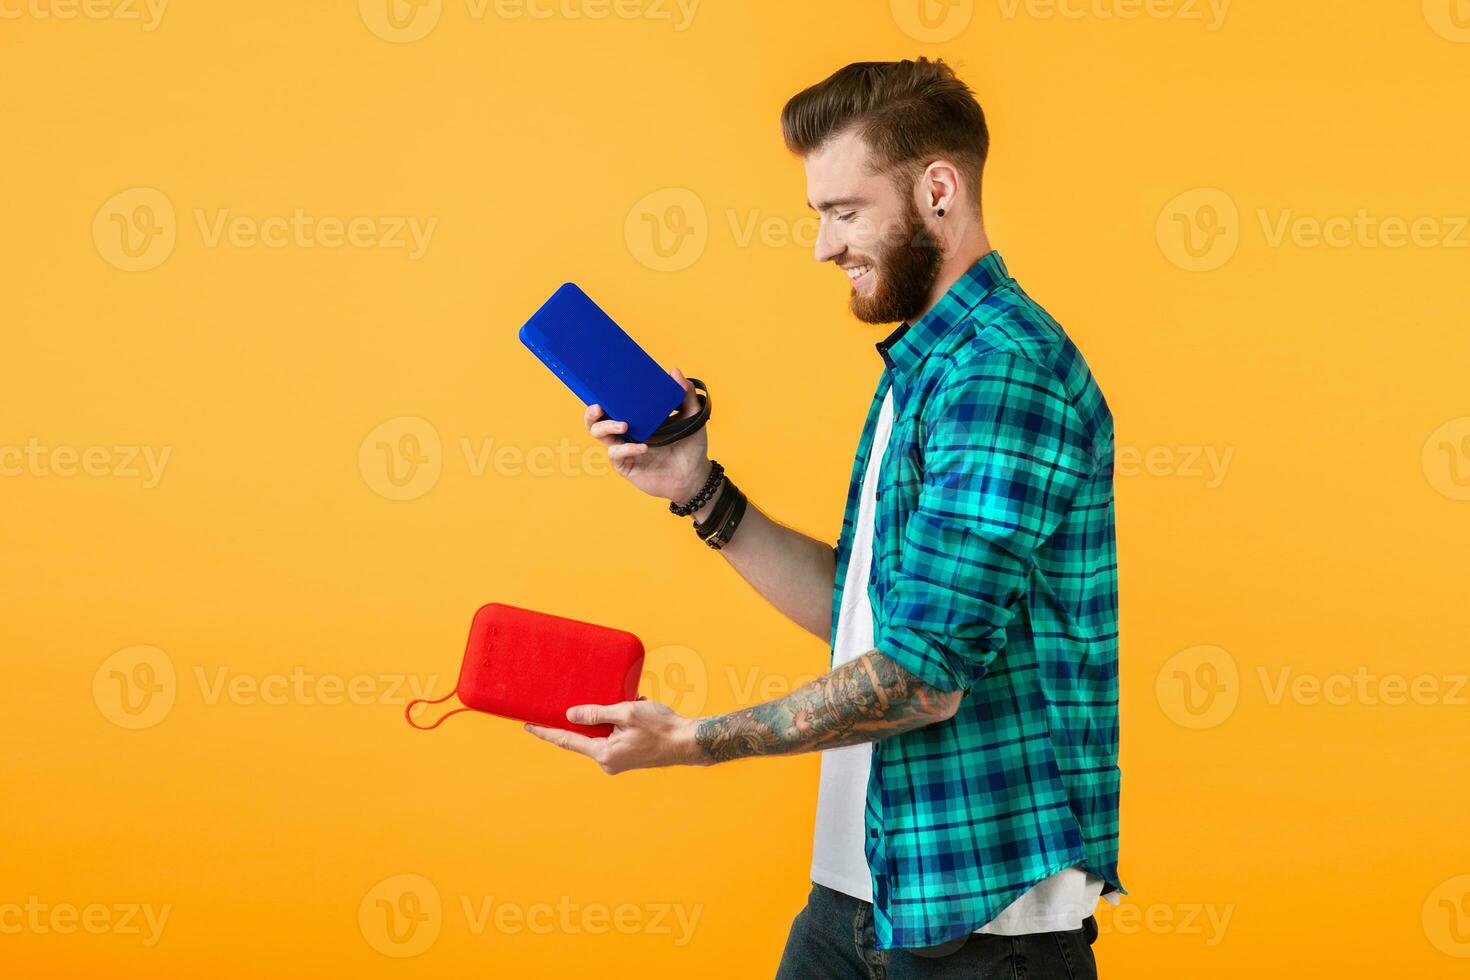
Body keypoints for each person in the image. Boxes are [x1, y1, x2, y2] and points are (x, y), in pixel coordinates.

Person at [525, 57, 1124, 978]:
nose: (824, 247)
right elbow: (865, 616)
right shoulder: (922, 369)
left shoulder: (998, 372)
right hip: (858, 898)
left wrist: (694, 742)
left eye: (845, 212)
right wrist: (698, 489)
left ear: (936, 191)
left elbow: (923, 677)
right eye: (819, 217)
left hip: (979, 933)